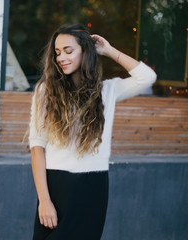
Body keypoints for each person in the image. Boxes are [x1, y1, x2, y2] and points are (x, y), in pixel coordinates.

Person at [29, 24, 157, 240]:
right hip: (56, 185)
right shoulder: (45, 90)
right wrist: (44, 200)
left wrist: (108, 50)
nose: (61, 58)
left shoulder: (108, 91)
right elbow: (36, 147)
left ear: (85, 52)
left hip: (93, 186)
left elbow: (147, 77)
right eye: (58, 53)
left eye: (69, 51)